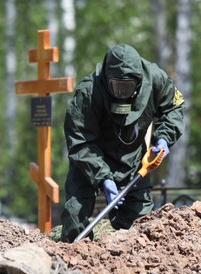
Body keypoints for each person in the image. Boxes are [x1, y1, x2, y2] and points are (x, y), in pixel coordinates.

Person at [60, 44, 185, 242]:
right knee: (76, 217)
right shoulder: (88, 92)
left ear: (138, 81)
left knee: (143, 228)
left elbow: (173, 106)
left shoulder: (155, 78)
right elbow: (80, 141)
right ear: (106, 79)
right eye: (115, 86)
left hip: (133, 159)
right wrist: (103, 177)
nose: (120, 93)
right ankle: (75, 257)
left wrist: (163, 138)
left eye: (126, 87)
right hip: (91, 157)